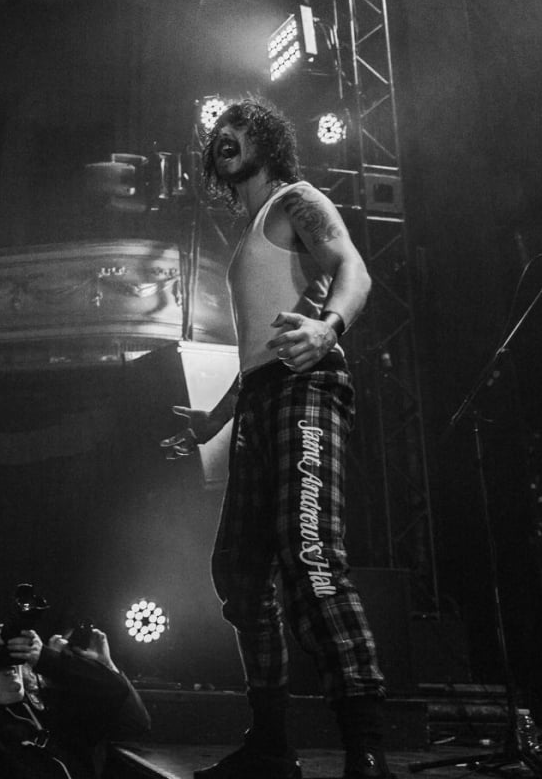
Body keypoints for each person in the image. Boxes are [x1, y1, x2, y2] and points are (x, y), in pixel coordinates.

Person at [161, 98, 388, 779]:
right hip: (263, 399)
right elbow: (261, 355)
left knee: (309, 560)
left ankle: (367, 750)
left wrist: (329, 327)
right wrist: (214, 420)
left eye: (237, 127)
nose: (222, 137)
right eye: (216, 134)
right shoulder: (250, 233)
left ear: (265, 139)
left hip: (308, 387)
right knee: (238, 571)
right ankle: (269, 744)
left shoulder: (298, 200)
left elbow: (354, 269)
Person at [0, 618, 149, 779]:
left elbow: (133, 724)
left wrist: (51, 661)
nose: (10, 667)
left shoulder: (47, 714)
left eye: (11, 656)